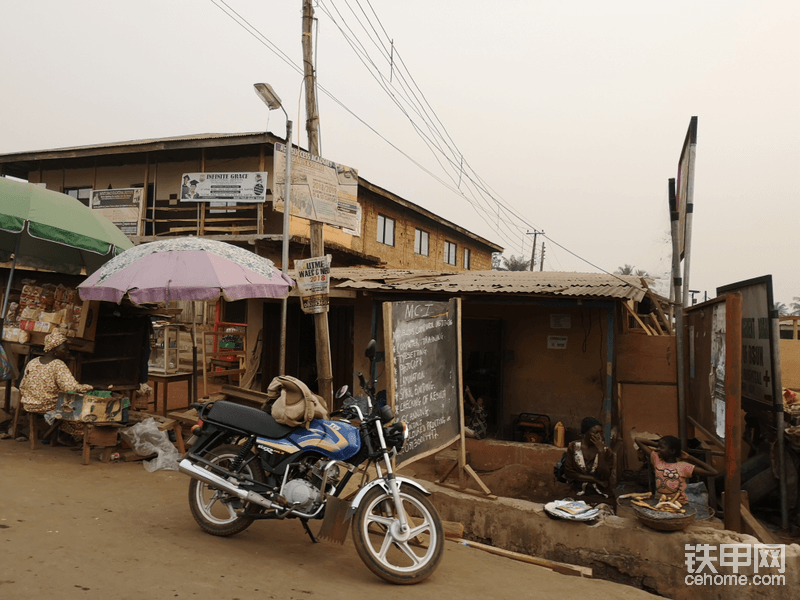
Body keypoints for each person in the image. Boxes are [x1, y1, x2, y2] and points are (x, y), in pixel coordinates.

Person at [20, 330, 93, 442]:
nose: (67, 352)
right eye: (64, 349)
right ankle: (68, 436)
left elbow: (22, 385)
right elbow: (71, 388)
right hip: (46, 405)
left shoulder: (33, 362)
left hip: (28, 404)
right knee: (78, 404)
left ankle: (53, 434)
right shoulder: (58, 364)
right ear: (54, 350)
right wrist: (88, 387)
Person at [634, 435, 718, 503]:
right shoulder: (657, 461)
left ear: (672, 451)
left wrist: (690, 458)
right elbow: (638, 439)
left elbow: (713, 472)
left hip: (679, 504)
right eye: (658, 447)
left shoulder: (684, 466)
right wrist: (658, 445)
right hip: (661, 502)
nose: (658, 450)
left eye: (662, 448)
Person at [563, 417, 616, 501]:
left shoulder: (606, 451)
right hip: (577, 491)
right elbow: (569, 473)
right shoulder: (573, 447)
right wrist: (594, 479)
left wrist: (601, 452)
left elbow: (605, 476)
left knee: (603, 511)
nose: (599, 436)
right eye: (595, 432)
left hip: (601, 494)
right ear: (585, 433)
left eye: (601, 432)